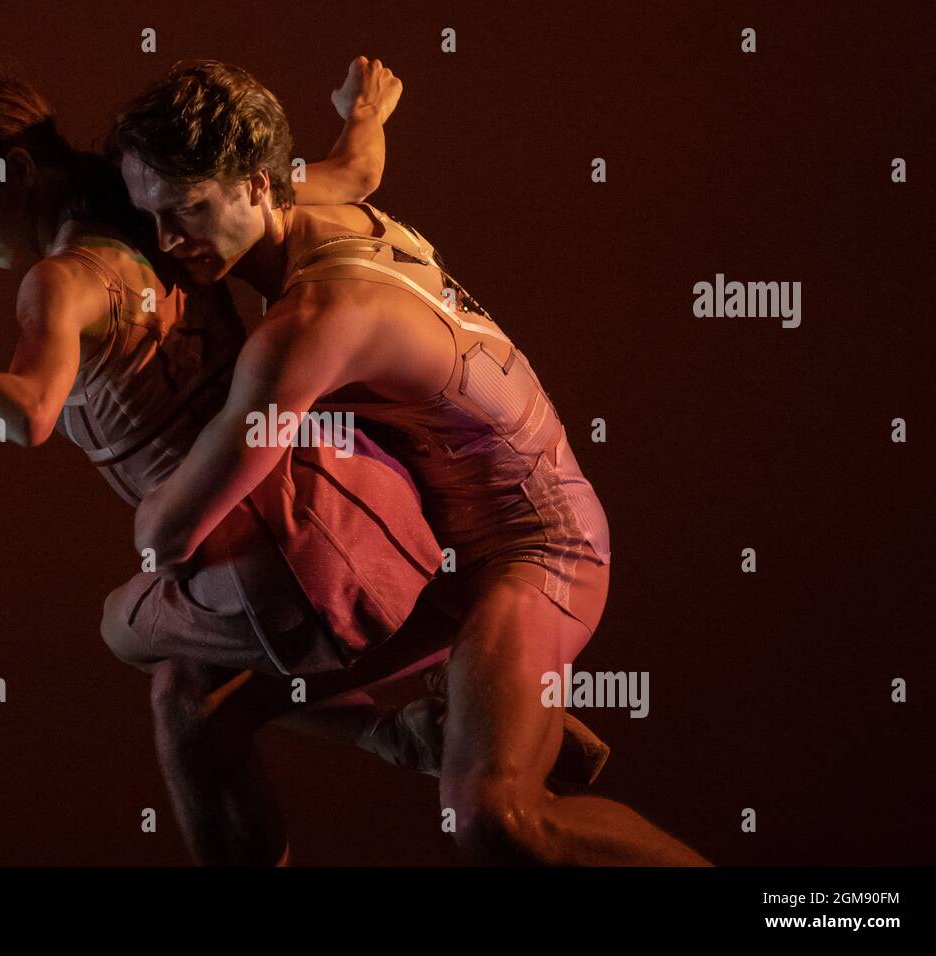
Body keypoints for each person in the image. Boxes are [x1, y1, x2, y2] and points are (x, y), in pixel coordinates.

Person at [110, 58, 711, 865]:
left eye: (187, 210)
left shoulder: (310, 324)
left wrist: (123, 546)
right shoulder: (314, 197)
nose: (169, 243)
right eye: (148, 219)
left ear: (257, 186)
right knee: (193, 700)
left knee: (497, 821)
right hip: (435, 545)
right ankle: (421, 729)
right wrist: (365, 111)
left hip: (536, 547)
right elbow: (358, 163)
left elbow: (172, 535)